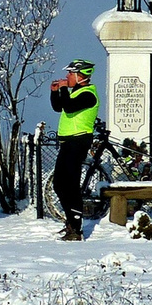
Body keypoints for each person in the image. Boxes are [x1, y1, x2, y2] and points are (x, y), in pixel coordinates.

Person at [50, 59, 100, 241]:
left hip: (79, 142)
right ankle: (71, 221)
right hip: (68, 143)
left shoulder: (88, 94)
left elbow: (69, 107)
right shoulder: (74, 92)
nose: (67, 77)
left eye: (70, 74)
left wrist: (63, 90)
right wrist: (55, 92)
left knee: (71, 185)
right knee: (59, 184)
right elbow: (59, 107)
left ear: (81, 76)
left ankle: (76, 228)